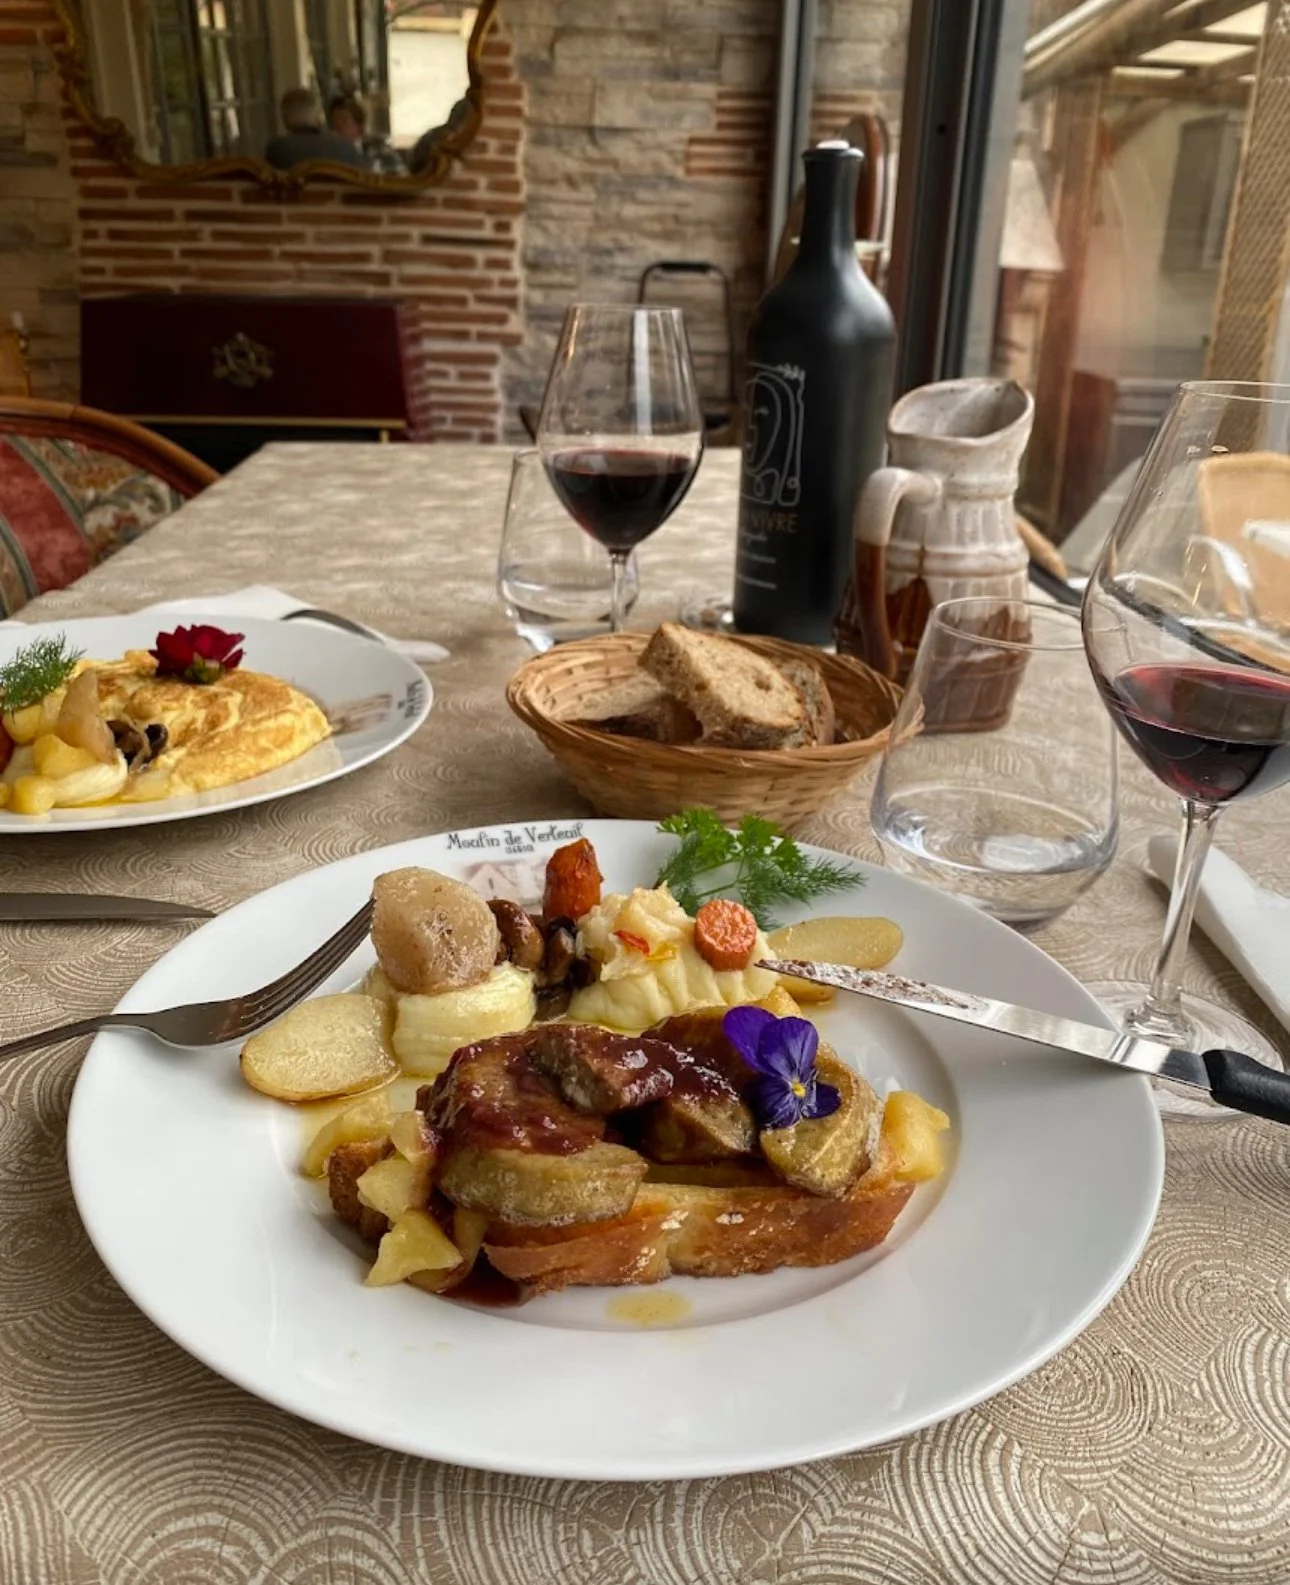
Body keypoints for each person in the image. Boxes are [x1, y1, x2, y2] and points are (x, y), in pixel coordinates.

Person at [264, 87, 367, 170]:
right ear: (315, 115)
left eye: (345, 120)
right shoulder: (344, 149)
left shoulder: (277, 149)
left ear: (285, 118)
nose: (338, 125)